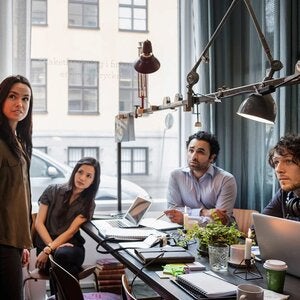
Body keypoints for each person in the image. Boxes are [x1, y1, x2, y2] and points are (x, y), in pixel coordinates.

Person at [34, 157, 101, 279]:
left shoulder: (89, 204)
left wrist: (50, 249)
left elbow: (71, 232)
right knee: (62, 263)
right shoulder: (52, 191)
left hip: (72, 248)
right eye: (80, 172)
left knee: (61, 257)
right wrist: (50, 248)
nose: (82, 178)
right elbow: (39, 223)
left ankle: (57, 296)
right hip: (45, 248)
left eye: (88, 176)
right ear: (75, 171)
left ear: (93, 181)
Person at [0, 75, 33, 299]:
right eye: (12, 96)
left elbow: (18, 197)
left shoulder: (19, 142)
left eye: (25, 99)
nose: (19, 104)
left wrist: (22, 241)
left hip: (13, 239)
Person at [165, 131, 237, 226]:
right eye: (191, 150)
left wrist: (185, 219)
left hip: (221, 236)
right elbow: (173, 212)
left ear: (211, 157)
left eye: (200, 152)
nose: (194, 157)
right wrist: (203, 212)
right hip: (186, 235)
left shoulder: (226, 180)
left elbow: (220, 221)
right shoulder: (176, 176)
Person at [263, 133, 300, 221]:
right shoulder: (284, 194)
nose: (278, 170)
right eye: (276, 162)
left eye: (288, 161)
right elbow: (257, 228)